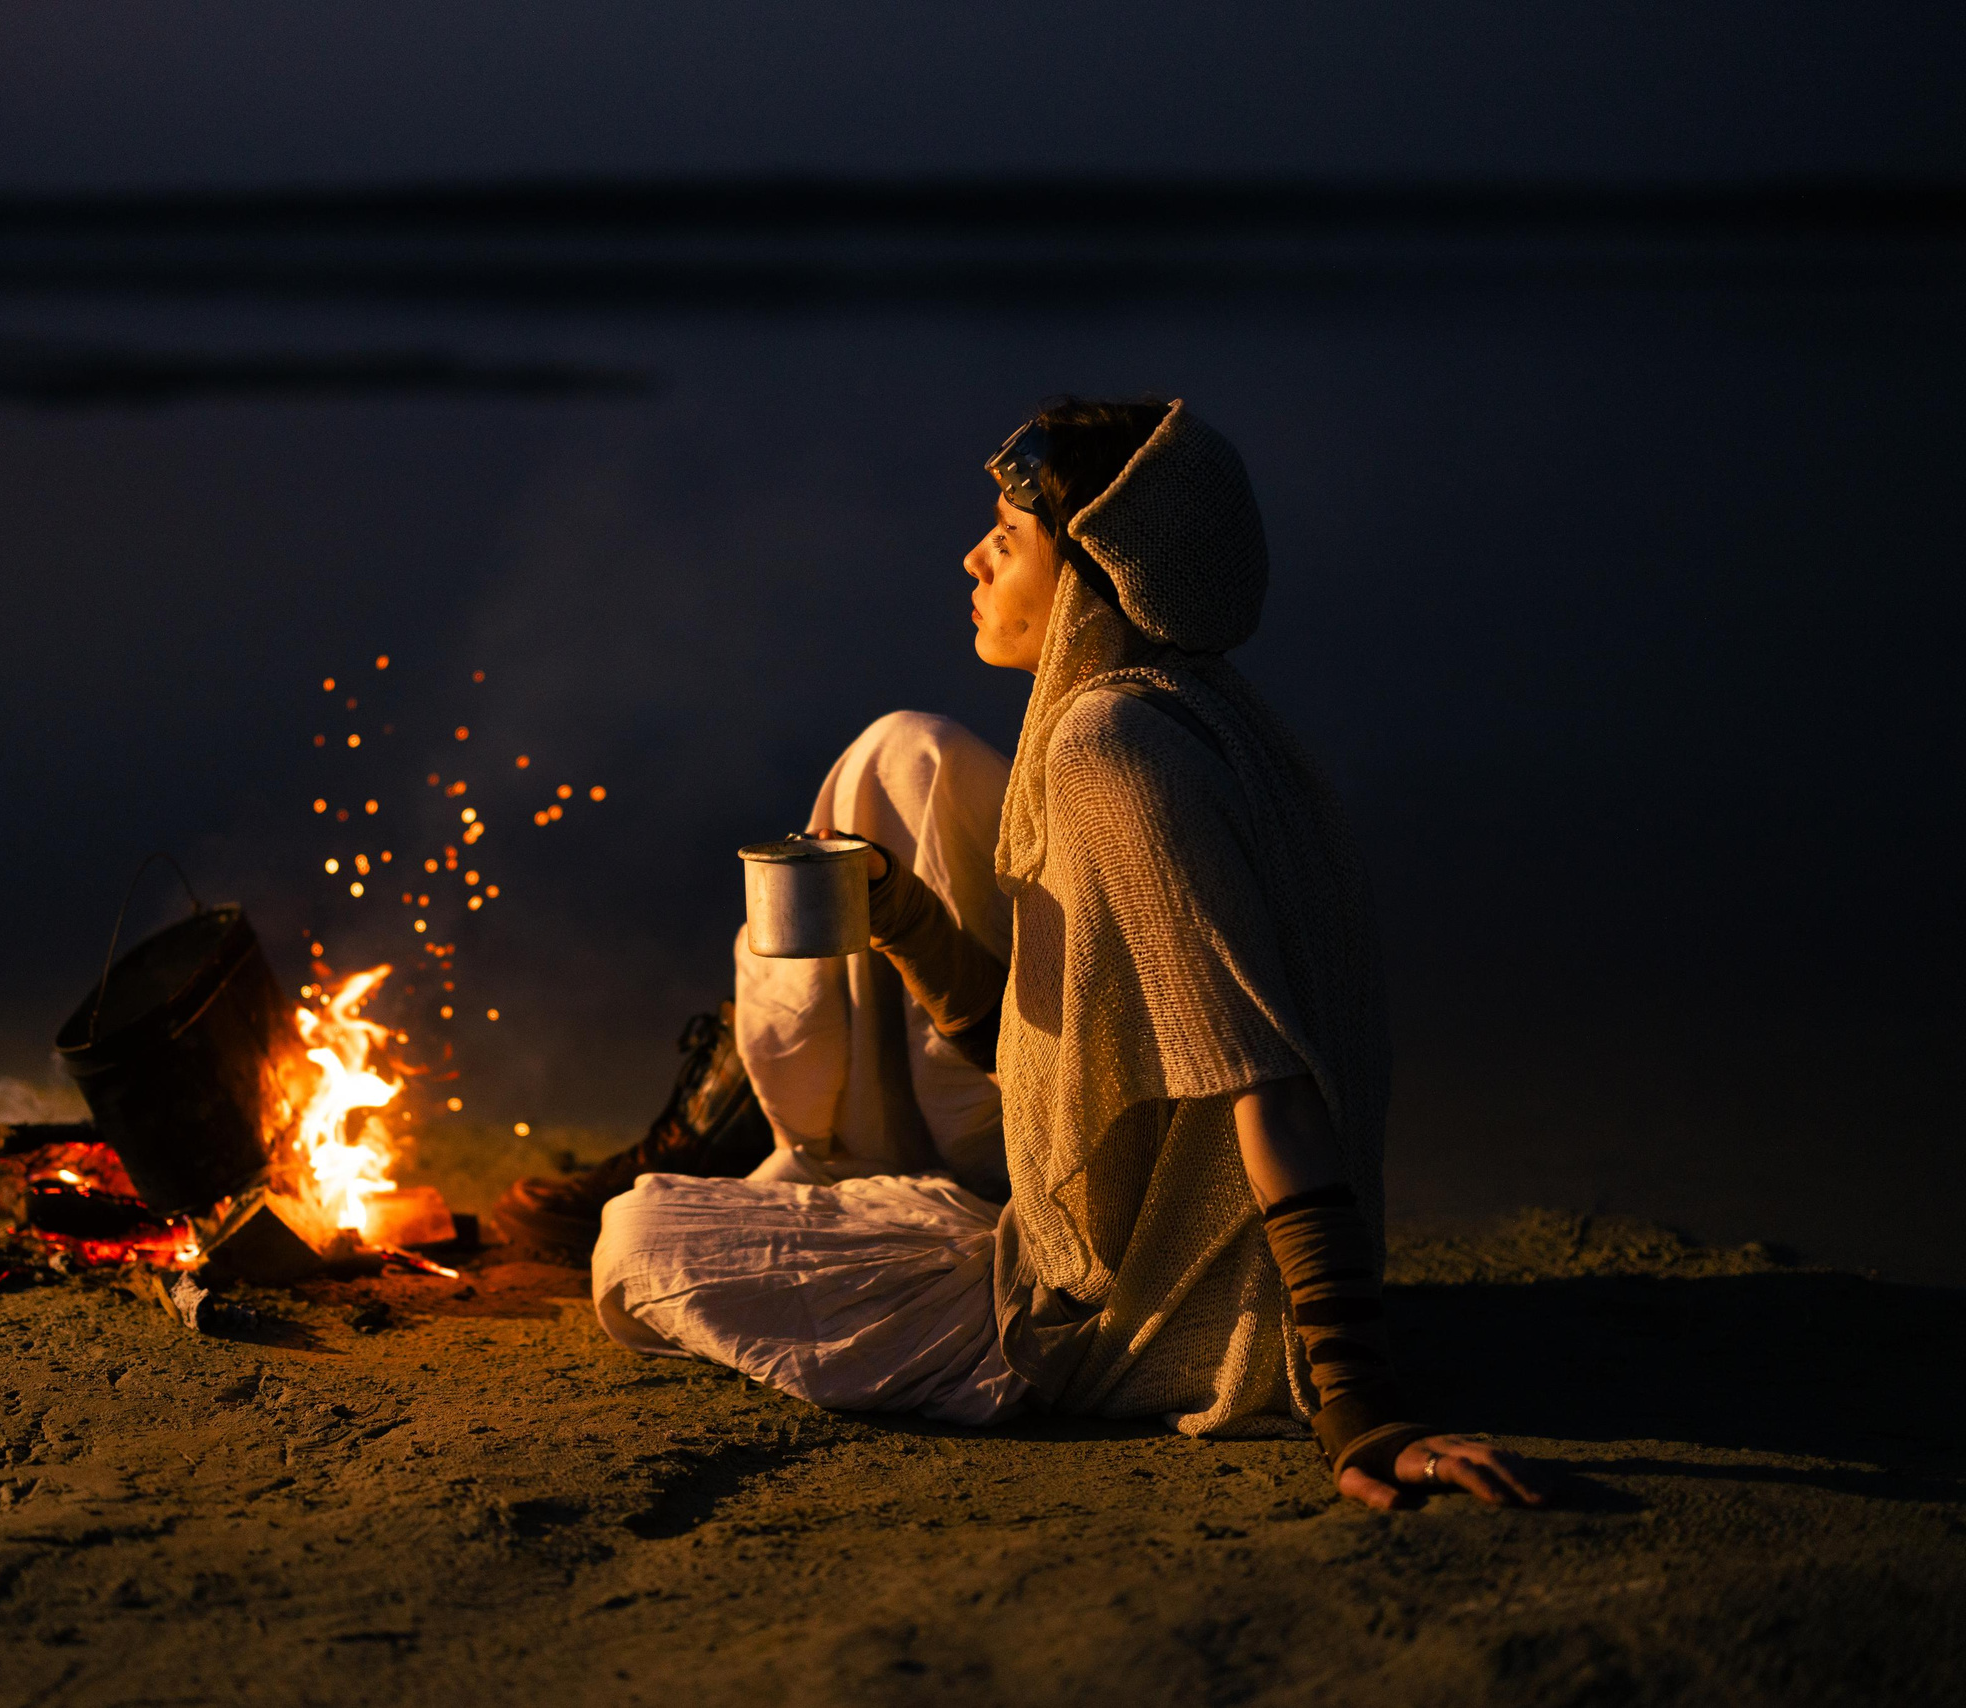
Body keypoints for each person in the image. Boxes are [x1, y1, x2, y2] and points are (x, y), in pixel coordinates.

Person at [570, 396, 1545, 1511]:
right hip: (1126, 1238)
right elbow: (1047, 1053)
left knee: (639, 1240)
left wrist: (1357, 1405)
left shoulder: (1107, 749)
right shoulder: (1203, 711)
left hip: (1135, 1313)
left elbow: (1269, 1080)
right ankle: (791, 1134)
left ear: (1088, 574)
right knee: (900, 757)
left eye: (1009, 534)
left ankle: (771, 1135)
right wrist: (896, 910)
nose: (973, 556)